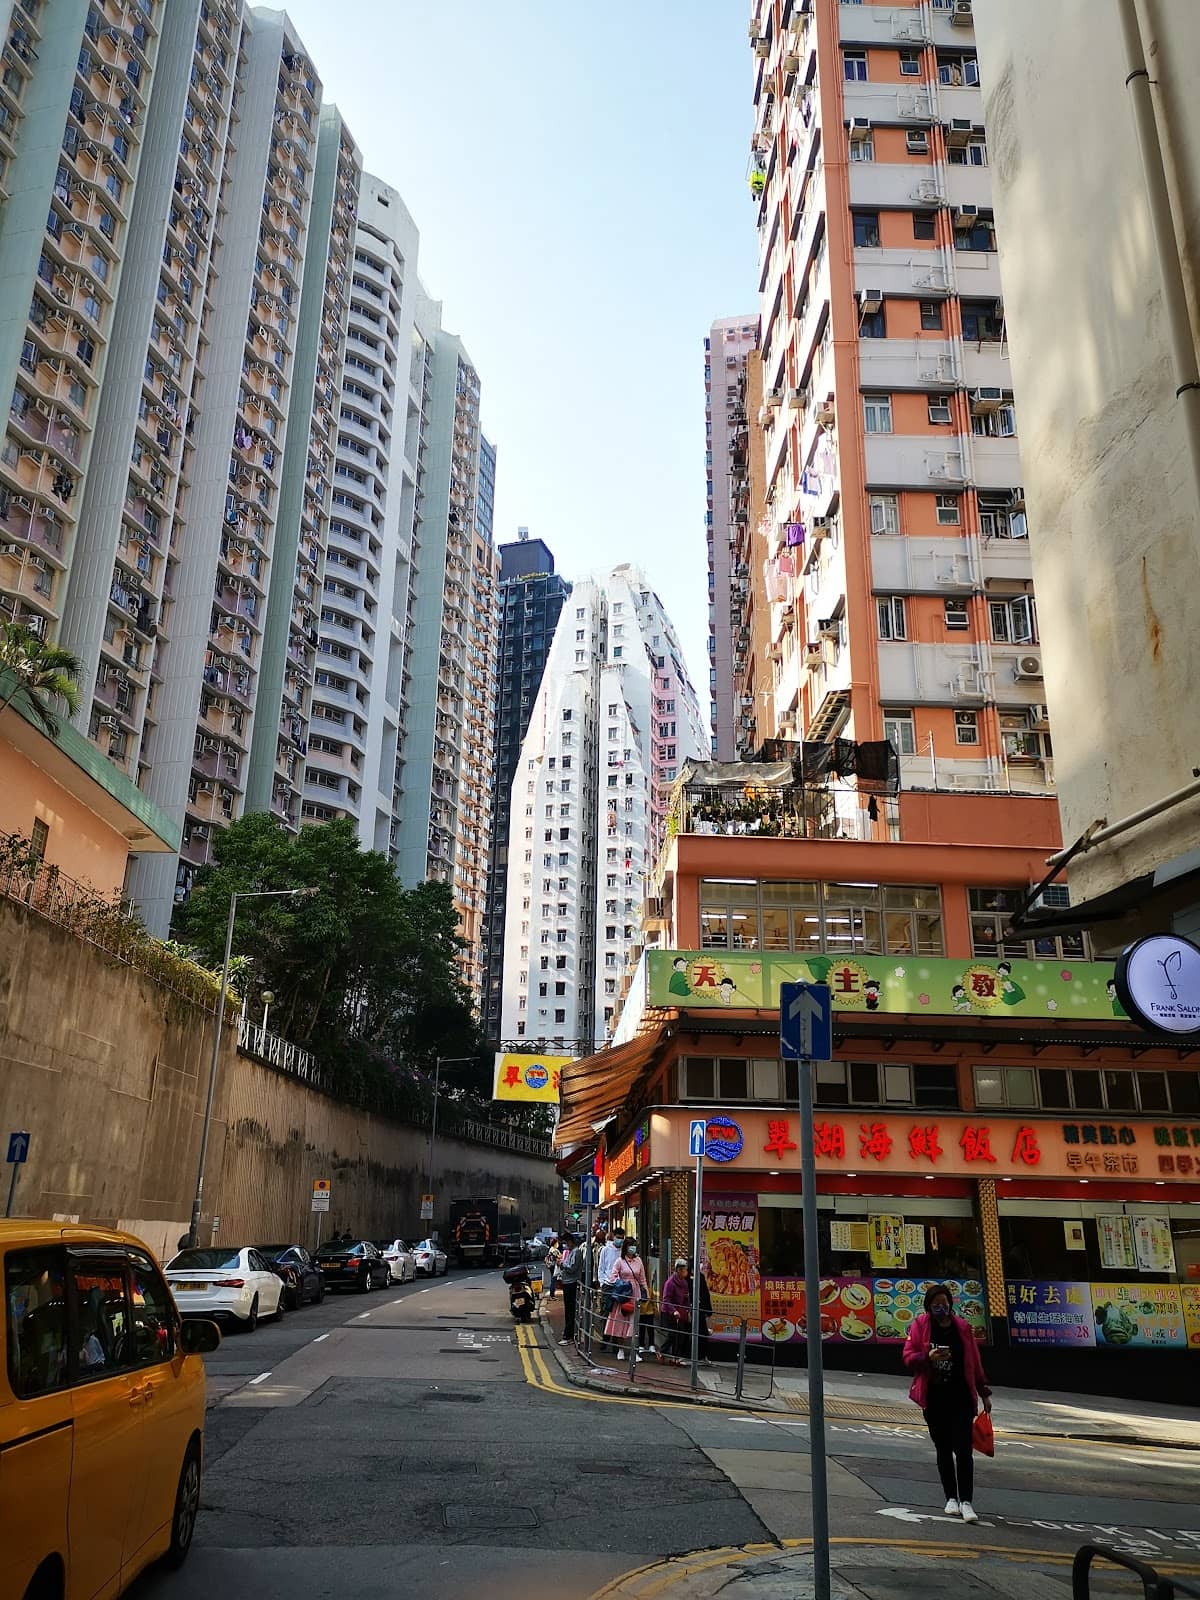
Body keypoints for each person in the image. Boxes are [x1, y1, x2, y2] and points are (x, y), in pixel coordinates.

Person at [903, 1284, 991, 1525]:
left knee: (963, 1449)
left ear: (951, 1303)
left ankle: (967, 1501)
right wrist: (927, 1357)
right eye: (936, 1305)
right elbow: (908, 1357)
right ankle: (950, 1497)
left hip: (961, 1396)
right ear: (929, 1307)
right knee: (942, 1448)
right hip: (934, 1397)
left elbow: (974, 1360)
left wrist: (983, 1391)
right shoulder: (921, 1325)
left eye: (944, 1303)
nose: (941, 1308)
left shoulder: (962, 1327)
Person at [604, 1237, 648, 1361]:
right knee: (621, 1321)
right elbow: (612, 1276)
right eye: (631, 1245)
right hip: (623, 1294)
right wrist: (620, 1284)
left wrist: (646, 1292)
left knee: (634, 1322)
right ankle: (621, 1349)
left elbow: (642, 1278)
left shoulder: (639, 1261)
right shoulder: (619, 1261)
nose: (633, 1248)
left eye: (634, 1245)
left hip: (635, 1293)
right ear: (626, 1247)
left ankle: (635, 1351)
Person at [660, 1259, 692, 1363]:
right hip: (670, 1312)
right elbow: (666, 1300)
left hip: (681, 1312)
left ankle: (675, 1357)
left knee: (681, 1336)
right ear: (678, 1270)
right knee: (672, 1335)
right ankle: (662, 1352)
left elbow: (686, 1298)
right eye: (683, 1270)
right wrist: (673, 1311)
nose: (686, 1272)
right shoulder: (670, 1283)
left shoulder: (684, 1282)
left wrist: (688, 1310)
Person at [556, 1232, 581, 1343]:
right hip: (567, 1282)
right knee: (568, 1310)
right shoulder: (571, 1252)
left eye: (566, 1243)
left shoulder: (576, 1252)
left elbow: (572, 1268)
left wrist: (561, 1264)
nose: (565, 1245)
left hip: (572, 1283)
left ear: (570, 1241)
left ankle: (569, 1335)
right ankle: (568, 1332)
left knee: (570, 1310)